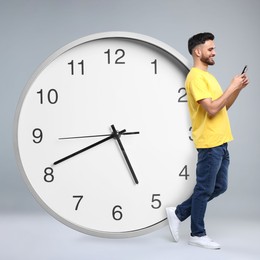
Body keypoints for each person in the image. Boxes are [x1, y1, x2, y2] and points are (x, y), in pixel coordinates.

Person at [166, 32, 249, 249]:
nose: (214, 52)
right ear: (198, 51)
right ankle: (197, 234)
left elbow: (223, 107)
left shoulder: (209, 77)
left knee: (219, 186)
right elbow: (211, 110)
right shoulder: (195, 78)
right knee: (204, 189)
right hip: (210, 143)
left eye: (214, 48)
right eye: (210, 49)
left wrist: (236, 90)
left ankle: (179, 212)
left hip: (221, 142)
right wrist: (231, 86)